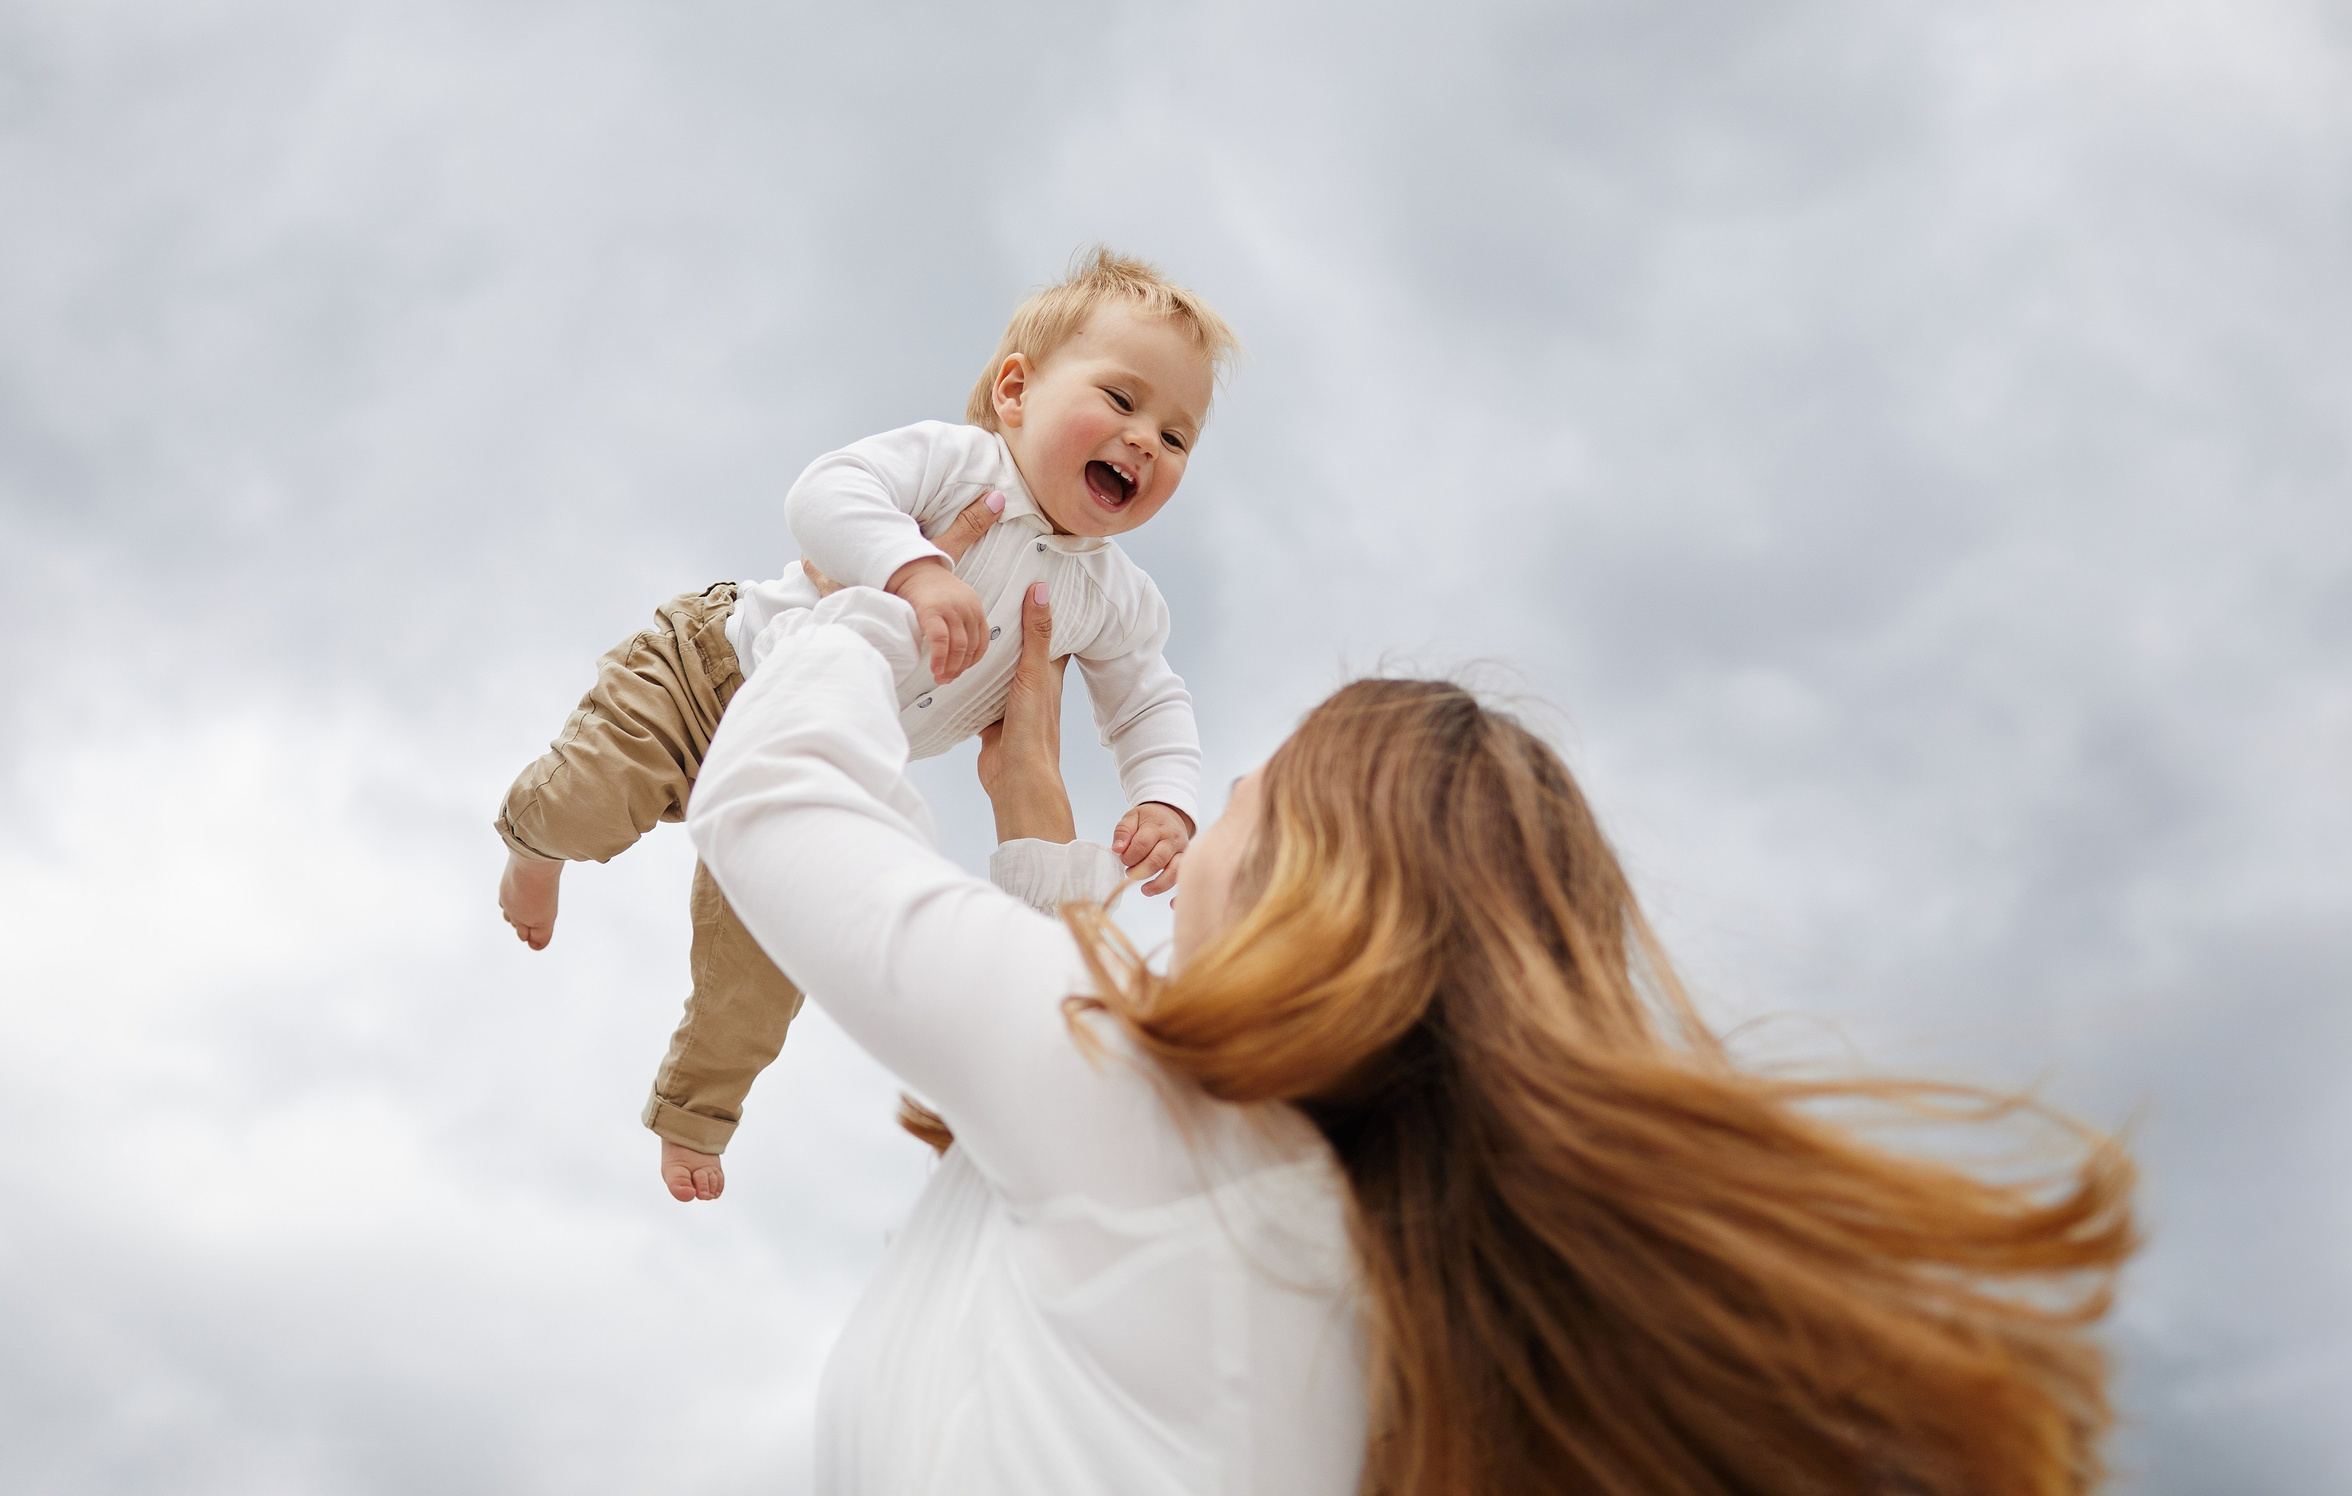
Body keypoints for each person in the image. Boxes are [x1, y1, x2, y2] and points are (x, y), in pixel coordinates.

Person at [689, 578, 2140, 1494]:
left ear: (1309, 865)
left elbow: (774, 808)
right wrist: (1037, 828)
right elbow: (1040, 1161)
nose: (1208, 815)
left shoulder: (1140, 1124)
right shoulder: (1371, 1270)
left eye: (1247, 789)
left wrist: (854, 617)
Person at [489, 249, 1235, 1200]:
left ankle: (694, 1114)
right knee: (587, 801)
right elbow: (824, 494)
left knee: (769, 966)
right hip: (716, 674)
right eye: (1122, 401)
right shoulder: (962, 465)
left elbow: (1149, 700)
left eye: (1177, 437)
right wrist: (915, 569)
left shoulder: (1110, 596)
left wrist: (1164, 800)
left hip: (830, 761)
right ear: (1016, 390)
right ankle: (534, 848)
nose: (1144, 442)